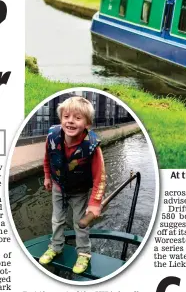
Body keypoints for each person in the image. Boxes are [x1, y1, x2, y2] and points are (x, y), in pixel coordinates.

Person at [39, 96, 106, 275]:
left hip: (79, 191)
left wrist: (95, 202)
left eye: (77, 118)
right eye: (66, 116)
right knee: (57, 219)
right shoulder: (52, 136)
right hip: (58, 187)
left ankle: (84, 252)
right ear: (61, 119)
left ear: (87, 124)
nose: (70, 121)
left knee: (79, 223)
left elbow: (100, 177)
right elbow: (48, 158)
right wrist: (47, 177)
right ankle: (56, 246)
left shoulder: (92, 147)